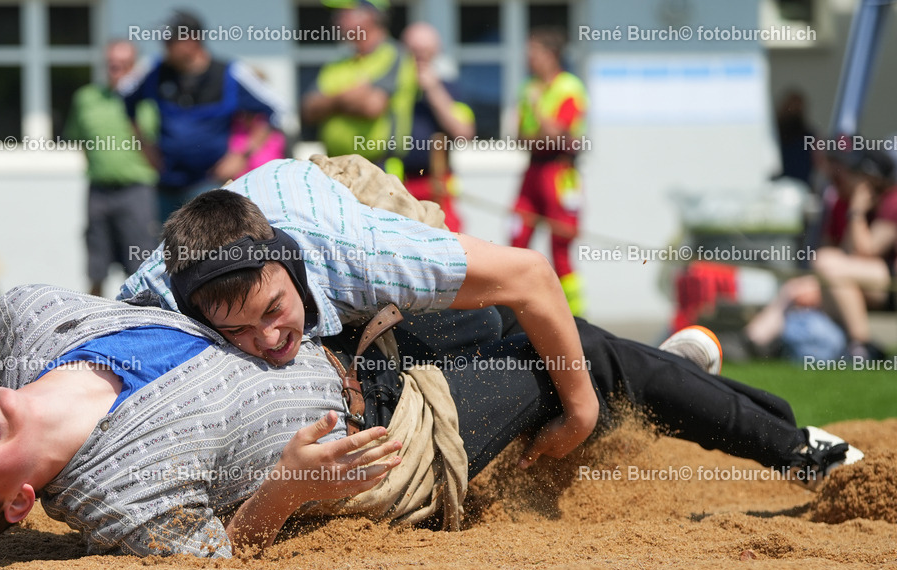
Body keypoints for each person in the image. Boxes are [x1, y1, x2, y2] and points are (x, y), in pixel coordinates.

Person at [0, 284, 863, 558]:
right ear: (17, 500)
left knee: (558, 323)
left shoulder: (24, 325)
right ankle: (812, 455)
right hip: (390, 430)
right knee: (580, 361)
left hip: (349, 335)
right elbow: (221, 551)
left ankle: (687, 385)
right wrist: (289, 489)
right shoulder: (112, 497)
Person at [121, 155, 601, 460]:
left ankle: (604, 376)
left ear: (293, 272)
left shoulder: (362, 257)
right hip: (246, 211)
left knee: (487, 318)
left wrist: (580, 415)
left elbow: (532, 274)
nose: (267, 338)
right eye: (237, 329)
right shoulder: (153, 298)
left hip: (347, 194)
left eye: (272, 311)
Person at [121, 10, 286, 221]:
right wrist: (143, 145)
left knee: (209, 251)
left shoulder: (231, 72)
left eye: (170, 40)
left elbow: (276, 109)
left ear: (193, 41)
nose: (164, 45)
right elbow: (125, 98)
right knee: (169, 251)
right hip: (166, 185)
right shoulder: (155, 71)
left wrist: (241, 155)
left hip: (211, 186)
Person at [64, 39, 159, 296]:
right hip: (98, 191)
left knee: (141, 266)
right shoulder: (86, 99)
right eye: (111, 65)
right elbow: (79, 138)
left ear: (134, 66)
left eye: (123, 65)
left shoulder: (150, 101)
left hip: (137, 191)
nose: (116, 71)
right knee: (96, 265)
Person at [509, 27, 588, 316]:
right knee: (517, 240)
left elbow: (558, 134)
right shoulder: (527, 88)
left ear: (551, 55)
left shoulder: (569, 87)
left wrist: (539, 113)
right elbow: (520, 137)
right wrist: (542, 130)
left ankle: (575, 316)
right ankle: (516, 311)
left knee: (561, 247)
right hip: (533, 170)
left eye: (534, 52)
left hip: (560, 173)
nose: (528, 58)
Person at [300, 0, 418, 165]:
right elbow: (308, 110)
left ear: (370, 15)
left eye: (344, 12)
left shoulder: (395, 55)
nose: (336, 19)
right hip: (336, 167)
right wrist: (346, 98)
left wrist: (330, 102)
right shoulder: (337, 63)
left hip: (380, 167)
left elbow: (372, 106)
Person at [812, 150, 897, 360]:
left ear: (870, 180)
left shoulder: (892, 201)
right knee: (826, 270)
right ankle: (858, 347)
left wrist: (856, 211)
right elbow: (848, 254)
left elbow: (866, 251)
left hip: (891, 282)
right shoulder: (850, 204)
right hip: (877, 279)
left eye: (853, 173)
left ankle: (861, 344)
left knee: (826, 263)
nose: (845, 176)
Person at [397, 22, 475, 232]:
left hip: (438, 181)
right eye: (414, 52)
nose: (419, 58)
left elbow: (464, 132)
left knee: (450, 241)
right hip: (397, 182)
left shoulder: (449, 88)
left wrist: (433, 90)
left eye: (425, 52)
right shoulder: (393, 89)